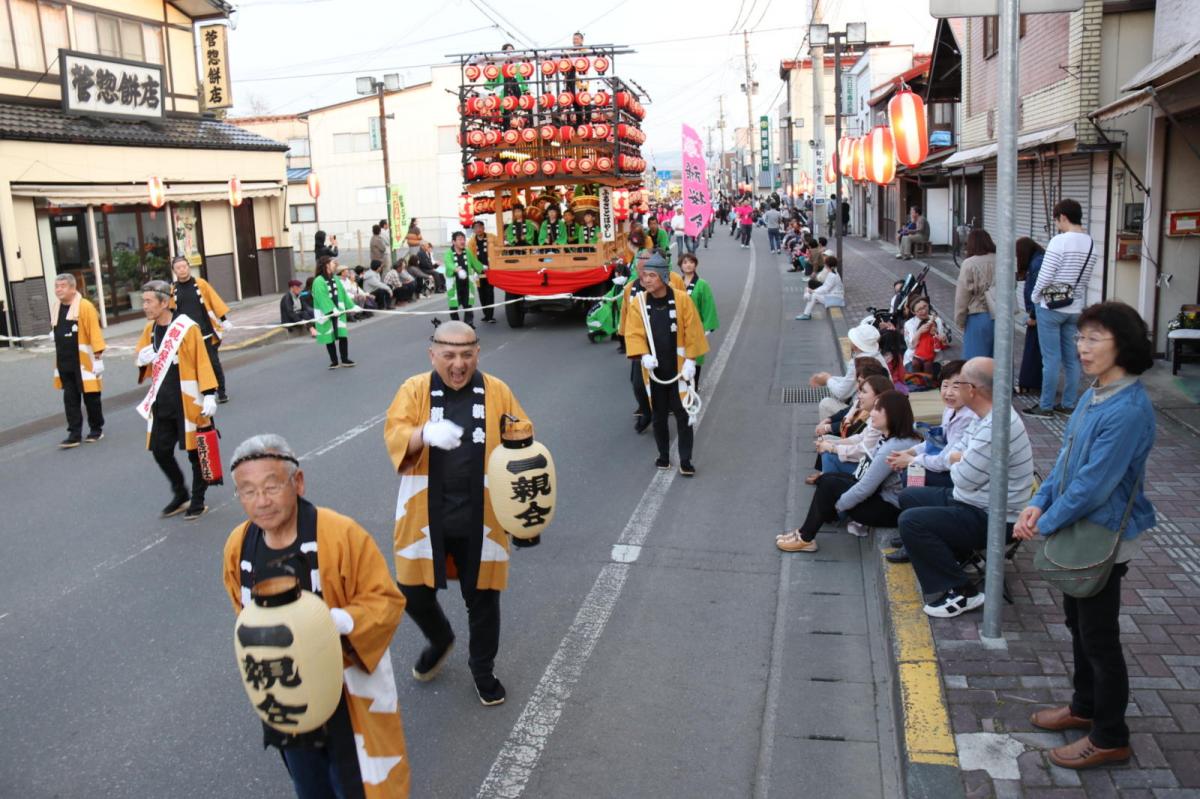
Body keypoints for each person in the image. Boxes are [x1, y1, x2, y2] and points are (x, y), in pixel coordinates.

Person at [221, 434, 411, 798]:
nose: (261, 501)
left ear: (299, 482)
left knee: (360, 787)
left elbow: (385, 600)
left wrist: (340, 622)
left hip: (348, 693)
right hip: (287, 696)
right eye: (248, 491)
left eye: (271, 486)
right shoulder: (238, 546)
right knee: (309, 786)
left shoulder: (340, 535)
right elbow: (241, 608)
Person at [1014, 302, 1155, 770]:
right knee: (1078, 623)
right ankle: (1084, 706)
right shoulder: (1096, 393)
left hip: (1102, 534)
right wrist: (1039, 502)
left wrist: (1043, 522)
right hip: (1078, 528)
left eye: (1094, 338)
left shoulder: (1129, 408)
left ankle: (1111, 736)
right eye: (1081, 337)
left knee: (1099, 638)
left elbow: (1095, 486)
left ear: (1124, 345)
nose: (1082, 346)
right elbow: (1065, 463)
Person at [383, 321, 532, 706]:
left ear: (478, 354)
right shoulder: (414, 390)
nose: (458, 364)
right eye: (448, 355)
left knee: (483, 598)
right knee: (412, 592)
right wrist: (422, 435)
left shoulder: (497, 391)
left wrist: (526, 514)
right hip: (424, 516)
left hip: (482, 516)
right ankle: (440, 637)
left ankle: (483, 670)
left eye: (467, 355)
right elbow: (396, 432)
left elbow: (524, 443)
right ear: (432, 355)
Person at [892, 358, 1034, 617]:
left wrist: (958, 460)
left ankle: (961, 591)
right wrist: (959, 459)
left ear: (973, 389)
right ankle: (957, 556)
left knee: (912, 522)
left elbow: (962, 477)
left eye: (959, 384)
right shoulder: (985, 416)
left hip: (996, 517)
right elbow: (953, 453)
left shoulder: (995, 427)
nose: (952, 391)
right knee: (910, 496)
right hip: (974, 501)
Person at [777, 391, 922, 551]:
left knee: (829, 485)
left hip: (890, 509)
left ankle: (805, 538)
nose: (871, 413)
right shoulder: (894, 437)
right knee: (827, 479)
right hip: (884, 499)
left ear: (893, 415)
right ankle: (804, 533)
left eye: (877, 410)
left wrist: (838, 506)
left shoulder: (893, 447)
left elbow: (866, 487)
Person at [133, 280, 218, 520]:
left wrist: (210, 393)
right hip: (162, 400)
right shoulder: (149, 330)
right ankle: (180, 492)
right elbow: (141, 359)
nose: (145, 306)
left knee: (194, 451)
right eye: (144, 301)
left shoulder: (186, 328)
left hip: (188, 398)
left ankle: (198, 500)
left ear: (164, 302)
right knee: (160, 450)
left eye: (149, 301)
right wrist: (141, 359)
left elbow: (202, 360)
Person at [623, 253, 709, 476]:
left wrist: (691, 360)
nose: (647, 280)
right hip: (654, 371)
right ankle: (662, 455)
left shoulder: (682, 299)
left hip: (679, 370)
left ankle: (686, 459)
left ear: (663, 276)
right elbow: (633, 332)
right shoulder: (638, 303)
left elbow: (693, 331)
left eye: (652, 275)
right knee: (659, 415)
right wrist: (643, 355)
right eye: (644, 276)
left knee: (684, 415)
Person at [1027, 199, 1099, 418]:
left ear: (1063, 217)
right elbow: (1085, 278)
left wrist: (1034, 296)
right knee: (1072, 359)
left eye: (1057, 220)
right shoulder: (1091, 243)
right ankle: (1069, 404)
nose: (1057, 224)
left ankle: (1046, 406)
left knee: (1051, 359)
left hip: (1050, 307)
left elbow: (1046, 275)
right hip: (1075, 307)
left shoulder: (1059, 242)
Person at [619, 249, 686, 432]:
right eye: (640, 267)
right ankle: (647, 412)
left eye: (649, 270)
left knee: (671, 381)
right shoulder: (630, 288)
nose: (645, 276)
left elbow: (684, 306)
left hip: (669, 341)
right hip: (642, 347)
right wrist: (627, 340)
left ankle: (669, 410)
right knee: (638, 383)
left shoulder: (673, 281)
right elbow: (625, 316)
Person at [886, 360, 977, 490]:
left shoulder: (968, 417)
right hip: (947, 463)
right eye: (945, 386)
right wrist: (911, 452)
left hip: (961, 475)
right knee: (909, 469)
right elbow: (937, 440)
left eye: (955, 387)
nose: (948, 392)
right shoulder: (950, 409)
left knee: (911, 474)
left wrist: (912, 460)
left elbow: (945, 460)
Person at [50, 273, 105, 447]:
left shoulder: (85, 306)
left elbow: (95, 333)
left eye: (63, 286)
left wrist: (98, 358)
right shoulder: (56, 306)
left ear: (73, 288)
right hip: (64, 361)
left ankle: (96, 429)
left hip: (84, 361)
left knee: (91, 397)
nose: (58, 289)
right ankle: (74, 434)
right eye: (57, 286)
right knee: (70, 399)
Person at [810, 374, 894, 483]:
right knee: (827, 446)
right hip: (867, 463)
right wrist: (832, 443)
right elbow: (859, 437)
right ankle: (827, 481)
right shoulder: (876, 415)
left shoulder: (880, 421)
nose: (859, 395)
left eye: (864, 391)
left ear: (878, 397)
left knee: (828, 454)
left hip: (870, 472)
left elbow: (862, 450)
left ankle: (829, 485)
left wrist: (832, 447)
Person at [169, 255, 231, 404]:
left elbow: (213, 300)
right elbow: (171, 311)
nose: (182, 270)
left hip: (206, 331)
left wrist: (224, 319)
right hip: (188, 335)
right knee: (193, 365)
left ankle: (221, 391)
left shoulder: (200, 283)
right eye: (178, 268)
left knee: (213, 362)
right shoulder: (173, 290)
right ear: (174, 271)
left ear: (188, 267)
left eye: (184, 266)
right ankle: (204, 392)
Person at [811, 323, 888, 420]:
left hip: (866, 413)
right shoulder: (877, 356)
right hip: (880, 406)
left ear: (856, 345)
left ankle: (832, 432)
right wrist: (830, 378)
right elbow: (849, 383)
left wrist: (827, 379)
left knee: (825, 404)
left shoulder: (858, 362)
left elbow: (842, 392)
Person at [955, 228, 998, 359]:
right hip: (1002, 316)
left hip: (979, 315)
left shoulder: (969, 263)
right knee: (999, 363)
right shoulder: (1003, 260)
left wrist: (960, 320)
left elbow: (962, 296)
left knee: (975, 365)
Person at [679, 253, 718, 389]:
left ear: (695, 265)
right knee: (679, 356)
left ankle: (693, 387)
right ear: (680, 266)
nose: (688, 265)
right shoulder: (677, 283)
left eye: (691, 262)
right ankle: (682, 388)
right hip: (679, 327)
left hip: (696, 327)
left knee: (695, 357)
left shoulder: (702, 285)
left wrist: (707, 327)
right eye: (684, 262)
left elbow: (708, 305)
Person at [312, 256, 355, 369]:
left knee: (342, 334)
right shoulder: (318, 281)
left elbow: (344, 294)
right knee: (328, 336)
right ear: (326, 265)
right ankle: (334, 361)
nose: (335, 264)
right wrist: (331, 309)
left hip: (339, 312)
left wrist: (352, 306)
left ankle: (345, 359)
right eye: (332, 262)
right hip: (326, 313)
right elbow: (322, 297)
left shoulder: (336, 278)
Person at [1016, 237, 1045, 395]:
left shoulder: (1036, 263)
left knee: (1032, 348)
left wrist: (1033, 315)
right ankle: (1033, 383)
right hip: (1043, 311)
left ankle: (1029, 384)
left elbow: (1036, 291)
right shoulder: (1040, 259)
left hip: (1038, 313)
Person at [443, 231, 486, 326]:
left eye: (463, 239)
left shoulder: (467, 251)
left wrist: (483, 268)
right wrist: (456, 269)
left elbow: (474, 262)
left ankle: (468, 324)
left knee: (468, 304)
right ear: (453, 242)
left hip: (467, 283)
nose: (462, 241)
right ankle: (456, 325)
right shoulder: (448, 253)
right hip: (455, 284)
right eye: (459, 239)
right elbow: (448, 263)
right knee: (453, 306)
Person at [903, 296, 947, 374]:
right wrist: (919, 332)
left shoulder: (937, 320)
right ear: (913, 312)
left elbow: (940, 340)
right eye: (919, 309)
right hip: (913, 358)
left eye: (925, 306)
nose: (924, 311)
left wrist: (942, 339)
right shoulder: (909, 324)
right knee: (914, 376)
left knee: (931, 376)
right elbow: (911, 346)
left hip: (933, 358)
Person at [795, 255, 844, 320]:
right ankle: (806, 312)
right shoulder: (833, 273)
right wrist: (813, 290)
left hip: (835, 299)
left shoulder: (832, 275)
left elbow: (825, 289)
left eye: (825, 263)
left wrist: (813, 291)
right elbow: (825, 287)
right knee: (811, 292)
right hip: (834, 296)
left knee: (813, 295)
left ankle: (806, 313)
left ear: (826, 265)